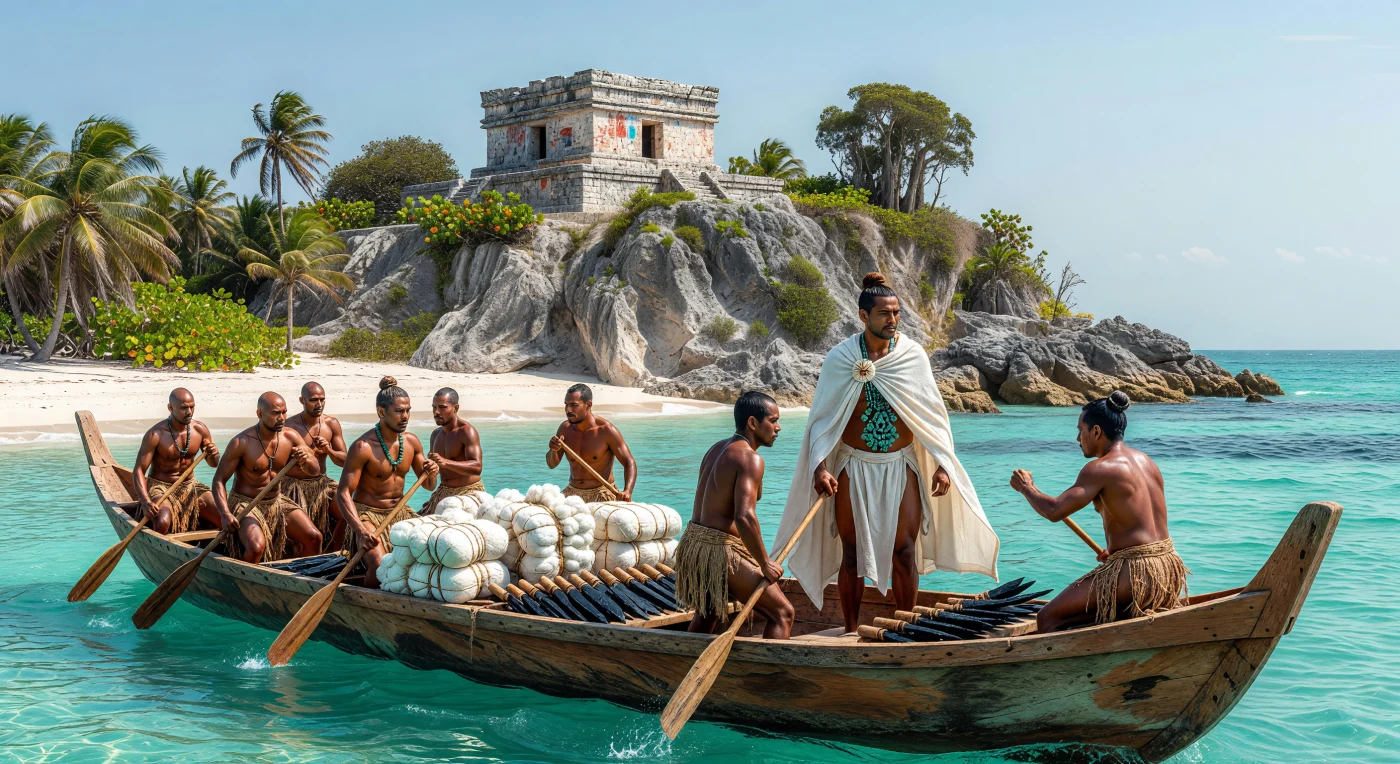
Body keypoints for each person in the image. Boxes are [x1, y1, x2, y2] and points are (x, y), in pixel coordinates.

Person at [773, 272, 999, 634]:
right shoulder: (840, 358)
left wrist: (943, 464)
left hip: (900, 464)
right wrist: (818, 468)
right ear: (864, 316)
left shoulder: (911, 356)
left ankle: (906, 627)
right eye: (884, 314)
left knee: (905, 550)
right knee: (851, 553)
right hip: (853, 465)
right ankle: (849, 629)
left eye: (896, 313)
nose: (892, 320)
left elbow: (932, 415)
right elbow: (822, 420)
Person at [1010, 391, 1190, 632]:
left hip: (1137, 571)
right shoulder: (1146, 461)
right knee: (1105, 612)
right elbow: (1140, 521)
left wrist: (1026, 488)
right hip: (1167, 569)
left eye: (1080, 430)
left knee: (1047, 619)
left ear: (1095, 431)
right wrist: (1116, 552)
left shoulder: (1100, 468)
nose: (1077, 438)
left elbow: (1054, 511)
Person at [675, 392, 795, 639]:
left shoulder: (716, 448)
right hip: (718, 550)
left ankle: (682, 665)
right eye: (773, 420)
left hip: (693, 545)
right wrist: (764, 563)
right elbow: (745, 517)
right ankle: (768, 678)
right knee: (783, 613)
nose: (778, 427)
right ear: (753, 423)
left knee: (708, 613)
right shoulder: (750, 458)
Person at [334, 377, 438, 588]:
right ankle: (368, 608)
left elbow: (429, 485)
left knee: (430, 553)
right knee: (379, 563)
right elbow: (343, 493)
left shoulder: (411, 442)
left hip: (400, 512)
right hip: (367, 516)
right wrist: (360, 531)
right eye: (399, 411)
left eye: (408, 410)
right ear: (382, 412)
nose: (405, 416)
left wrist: (433, 472)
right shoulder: (362, 447)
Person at [210, 392, 322, 563]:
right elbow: (219, 480)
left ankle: (307, 581)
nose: (282, 418)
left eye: (284, 412)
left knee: (314, 537)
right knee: (256, 547)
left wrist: (306, 459)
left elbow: (315, 470)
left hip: (276, 501)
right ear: (260, 414)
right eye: (276, 413)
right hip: (246, 503)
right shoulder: (242, 442)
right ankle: (244, 584)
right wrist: (225, 513)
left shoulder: (290, 436)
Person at [131, 388, 220, 534]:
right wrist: (146, 501)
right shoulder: (156, 434)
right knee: (162, 521)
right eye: (184, 408)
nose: (189, 412)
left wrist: (214, 453)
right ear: (170, 408)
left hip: (190, 486)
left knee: (224, 514)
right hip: (160, 487)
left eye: (192, 407)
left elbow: (213, 464)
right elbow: (139, 471)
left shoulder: (200, 429)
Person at [545, 383, 637, 502]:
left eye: (574, 405)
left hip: (602, 494)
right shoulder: (565, 429)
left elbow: (629, 461)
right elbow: (552, 465)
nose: (568, 410)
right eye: (566, 405)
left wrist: (627, 491)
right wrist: (553, 450)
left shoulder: (606, 430)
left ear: (588, 405)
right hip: (572, 494)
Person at [283, 381, 346, 550]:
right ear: (302, 401)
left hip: (322, 484)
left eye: (322, 399)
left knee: (349, 513)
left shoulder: (331, 424)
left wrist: (329, 450)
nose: (319, 404)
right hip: (293, 487)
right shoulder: (288, 427)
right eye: (313, 400)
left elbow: (344, 461)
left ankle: (332, 554)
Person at [421, 387, 485, 514]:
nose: (436, 412)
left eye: (442, 407)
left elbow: (477, 467)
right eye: (434, 407)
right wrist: (431, 470)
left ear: (455, 408)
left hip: (468, 493)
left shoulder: (466, 431)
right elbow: (431, 484)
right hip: (443, 492)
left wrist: (446, 463)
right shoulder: (435, 435)